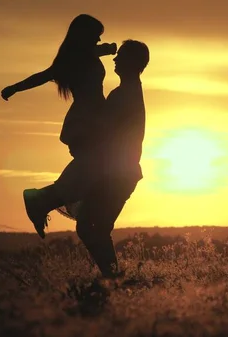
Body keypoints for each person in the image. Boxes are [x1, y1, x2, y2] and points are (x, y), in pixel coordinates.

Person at [26, 40, 150, 279]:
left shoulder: (124, 96)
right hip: (118, 171)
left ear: (133, 62)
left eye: (120, 56)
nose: (115, 60)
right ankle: (112, 277)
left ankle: (112, 277)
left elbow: (103, 129)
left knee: (92, 225)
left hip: (117, 173)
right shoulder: (126, 93)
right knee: (92, 226)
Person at [0, 14, 117, 238]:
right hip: (85, 122)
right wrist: (14, 88)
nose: (98, 40)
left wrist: (110, 48)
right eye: (96, 36)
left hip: (96, 120)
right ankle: (41, 200)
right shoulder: (71, 60)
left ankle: (42, 200)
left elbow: (99, 50)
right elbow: (42, 76)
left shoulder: (88, 53)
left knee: (94, 170)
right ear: (84, 36)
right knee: (95, 168)